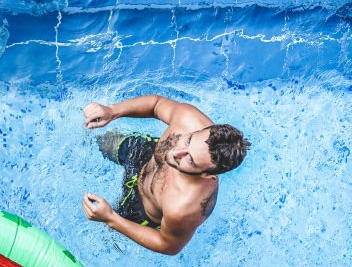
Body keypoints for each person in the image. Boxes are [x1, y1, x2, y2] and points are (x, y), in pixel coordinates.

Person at [81, 95, 250, 255]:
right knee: (101, 141)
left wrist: (111, 218)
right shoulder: (188, 118)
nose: (176, 152)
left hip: (140, 209)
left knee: (102, 235)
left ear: (206, 175)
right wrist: (112, 111)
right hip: (144, 155)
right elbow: (156, 105)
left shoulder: (185, 207)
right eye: (188, 140)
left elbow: (168, 245)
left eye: (190, 160)